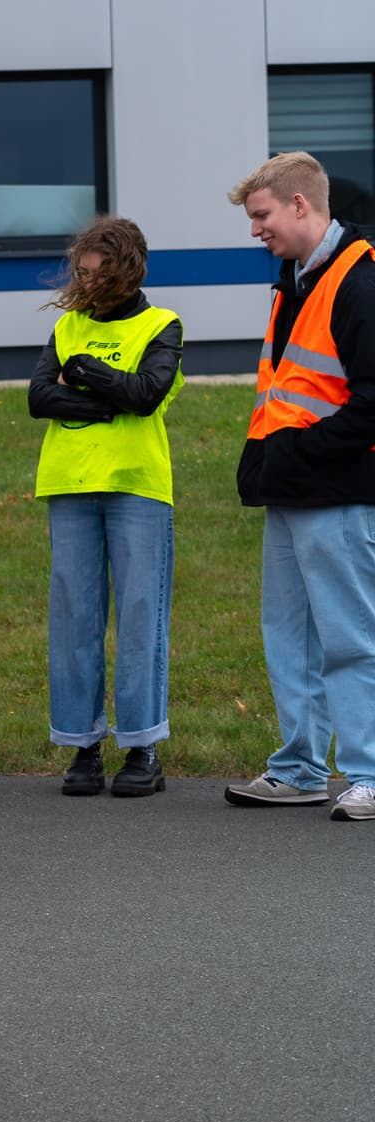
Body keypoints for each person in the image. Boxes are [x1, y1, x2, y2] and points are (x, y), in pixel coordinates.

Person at [222, 152, 375, 820]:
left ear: (300, 205)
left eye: (262, 216)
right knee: (289, 635)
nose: (256, 230)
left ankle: (369, 772)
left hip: (335, 491)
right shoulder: (296, 279)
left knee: (348, 637)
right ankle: (300, 767)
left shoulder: (357, 282)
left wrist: (303, 453)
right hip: (293, 490)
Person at [26, 216, 184, 799]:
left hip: (137, 486)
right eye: (81, 272)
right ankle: (82, 746)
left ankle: (142, 747)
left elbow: (147, 395)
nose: (86, 283)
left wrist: (86, 374)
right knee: (74, 616)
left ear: (125, 269)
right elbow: (39, 396)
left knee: (141, 614)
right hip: (68, 483)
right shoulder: (67, 325)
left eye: (97, 273)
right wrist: (104, 397)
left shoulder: (162, 324)